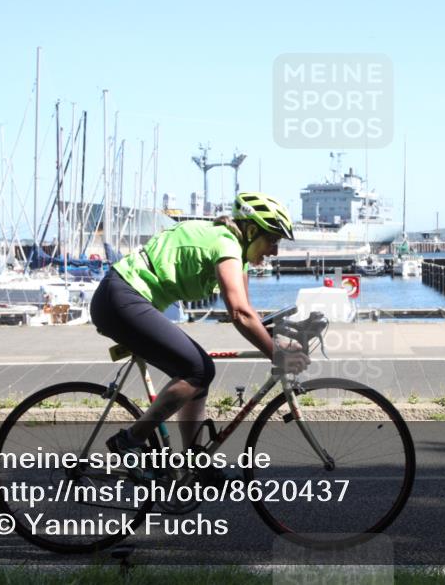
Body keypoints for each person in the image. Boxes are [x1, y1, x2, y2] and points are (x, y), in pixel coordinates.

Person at [90, 192, 309, 471]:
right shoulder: (225, 243)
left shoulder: (236, 253)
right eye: (273, 240)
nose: (275, 252)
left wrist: (276, 339)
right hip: (120, 298)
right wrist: (276, 355)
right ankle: (129, 441)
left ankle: (195, 462)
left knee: (197, 372)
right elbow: (239, 315)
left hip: (123, 299)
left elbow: (247, 310)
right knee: (198, 369)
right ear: (252, 230)